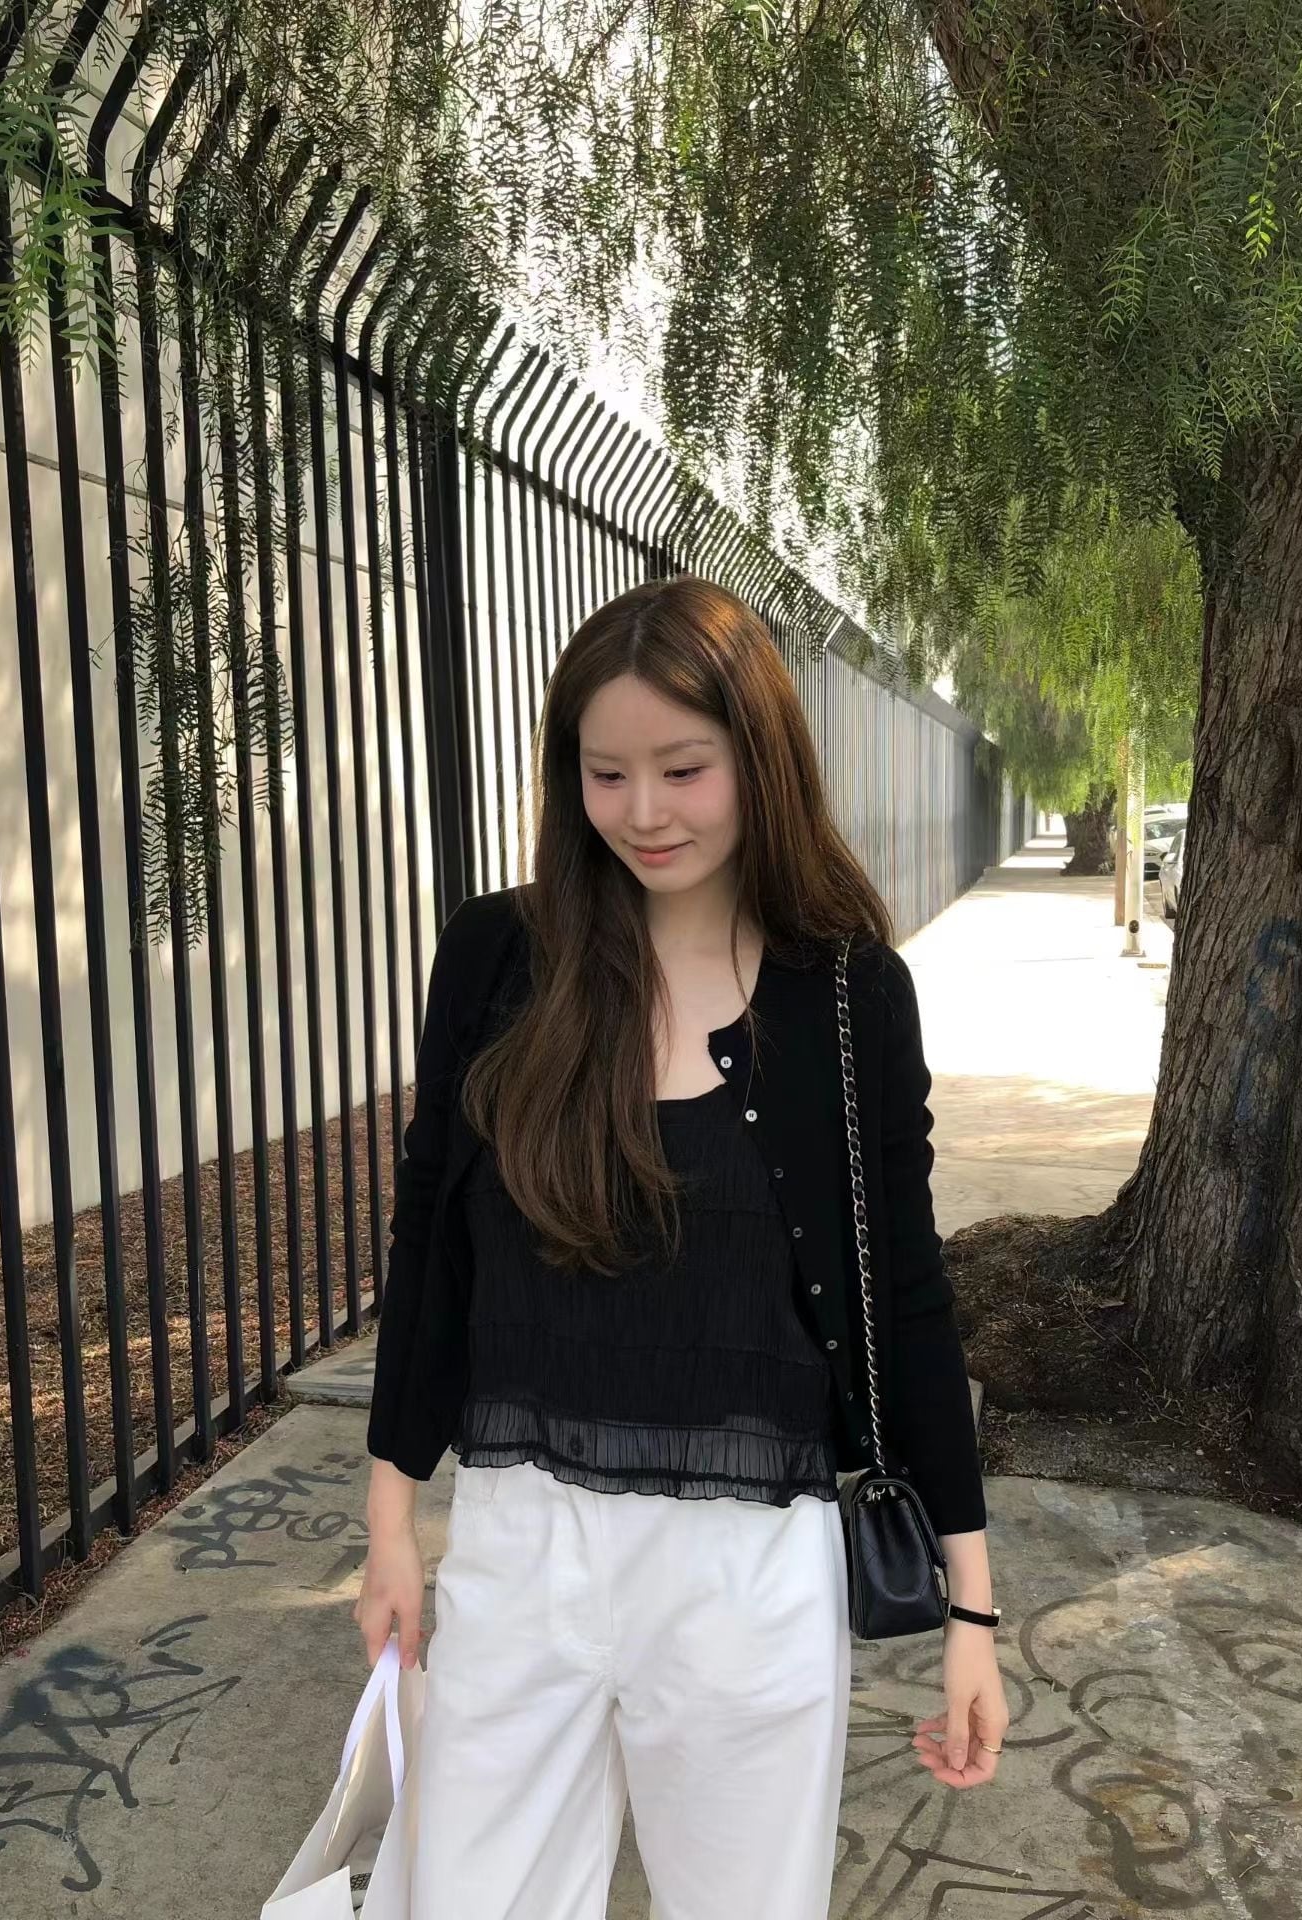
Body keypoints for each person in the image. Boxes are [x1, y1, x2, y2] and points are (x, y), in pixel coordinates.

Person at [354, 574, 1009, 1919]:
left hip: (748, 1570)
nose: (644, 811)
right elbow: (431, 1251)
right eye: (607, 774)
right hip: (520, 1546)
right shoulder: (498, 958)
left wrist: (972, 1610)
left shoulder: (845, 996)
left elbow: (906, 1297)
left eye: (683, 769)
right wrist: (389, 1524)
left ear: (759, 759)